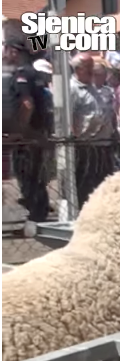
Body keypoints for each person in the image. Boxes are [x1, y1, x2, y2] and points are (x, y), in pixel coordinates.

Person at [3, 38, 53, 237]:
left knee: (27, 178)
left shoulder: (22, 74)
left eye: (6, 50)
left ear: (14, 52)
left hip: (27, 137)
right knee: (34, 178)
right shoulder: (33, 73)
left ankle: (36, 221)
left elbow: (27, 104)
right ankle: (38, 219)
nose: (4, 54)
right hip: (37, 134)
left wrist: (19, 131)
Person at [70, 53, 117, 211]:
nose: (92, 71)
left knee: (103, 182)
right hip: (86, 145)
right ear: (78, 69)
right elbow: (68, 117)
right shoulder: (72, 89)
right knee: (86, 183)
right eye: (88, 67)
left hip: (103, 143)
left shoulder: (92, 87)